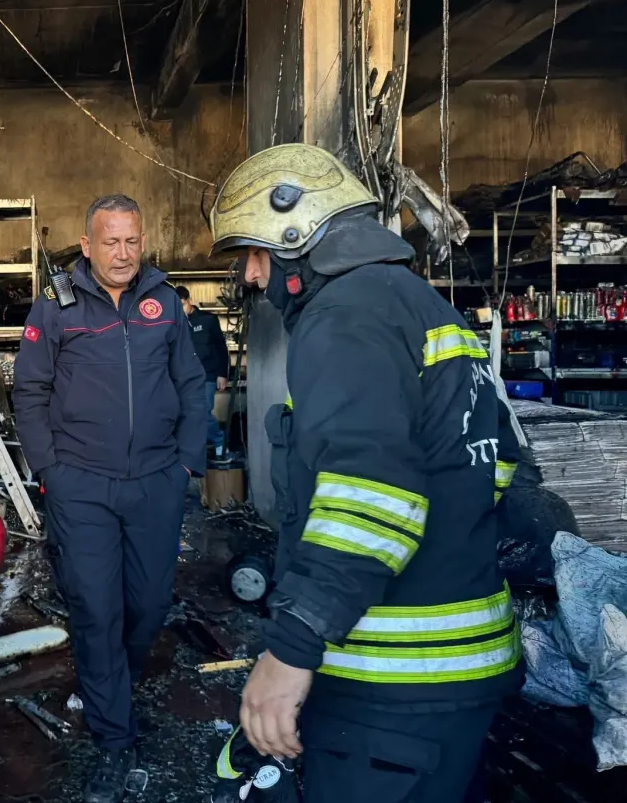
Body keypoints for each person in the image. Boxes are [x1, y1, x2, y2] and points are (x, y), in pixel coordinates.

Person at [209, 144, 523, 802]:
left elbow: (371, 497)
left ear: (299, 234)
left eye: (254, 253)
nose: (251, 276)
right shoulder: (418, 306)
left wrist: (291, 651)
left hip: (393, 687)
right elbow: (497, 470)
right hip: (457, 677)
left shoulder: (345, 317)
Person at [12, 194, 206, 803]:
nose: (122, 254)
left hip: (155, 481)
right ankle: (114, 734)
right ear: (87, 244)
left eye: (131, 241)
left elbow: (193, 385)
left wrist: (184, 465)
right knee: (96, 607)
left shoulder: (165, 302)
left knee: (147, 604)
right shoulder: (57, 306)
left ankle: (109, 682)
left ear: (140, 241)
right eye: (110, 242)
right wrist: (51, 471)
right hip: (82, 485)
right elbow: (30, 391)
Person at [174, 285, 232, 463]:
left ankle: (220, 444)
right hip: (182, 377)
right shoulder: (174, 323)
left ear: (189, 301)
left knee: (201, 412)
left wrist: (222, 374)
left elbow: (221, 348)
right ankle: (191, 454)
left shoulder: (208, 320)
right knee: (182, 414)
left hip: (207, 374)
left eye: (182, 305)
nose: (180, 310)